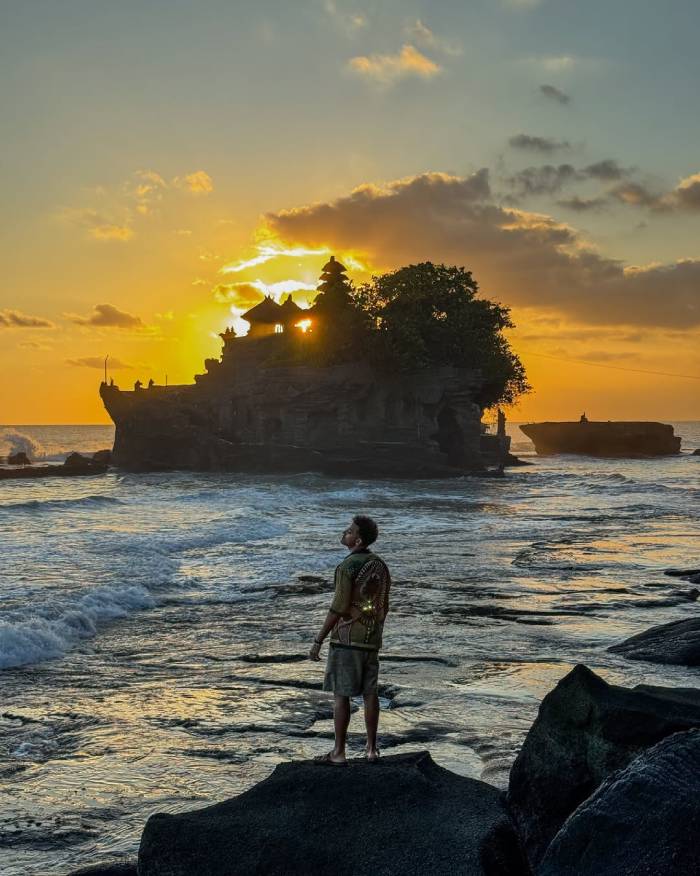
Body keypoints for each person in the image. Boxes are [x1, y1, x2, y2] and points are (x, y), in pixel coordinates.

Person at [309, 515, 391, 766]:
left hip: (346, 640)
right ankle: (371, 749)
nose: (345, 533)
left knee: (341, 695)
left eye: (349, 531)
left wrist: (319, 639)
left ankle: (339, 752)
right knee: (370, 693)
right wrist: (374, 628)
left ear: (358, 539)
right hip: (371, 639)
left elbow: (338, 606)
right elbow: (384, 604)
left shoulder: (347, 567)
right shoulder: (380, 565)